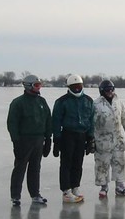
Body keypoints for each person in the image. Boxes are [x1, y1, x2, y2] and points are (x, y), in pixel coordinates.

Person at [7, 75, 52, 207]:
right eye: (36, 85)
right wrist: (16, 141)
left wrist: (48, 139)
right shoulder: (18, 103)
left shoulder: (42, 102)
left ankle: (35, 194)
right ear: (28, 86)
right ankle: (15, 196)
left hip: (39, 139)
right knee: (20, 168)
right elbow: (12, 123)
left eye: (40, 85)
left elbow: (48, 120)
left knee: (35, 168)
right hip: (24, 140)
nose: (39, 88)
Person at [52, 74, 95, 203]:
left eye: (79, 86)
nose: (77, 89)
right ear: (69, 87)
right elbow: (56, 121)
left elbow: (91, 120)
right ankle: (66, 190)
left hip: (82, 135)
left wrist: (90, 137)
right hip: (67, 135)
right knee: (66, 163)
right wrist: (57, 139)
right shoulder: (62, 101)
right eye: (74, 87)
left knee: (78, 163)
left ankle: (75, 186)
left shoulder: (88, 100)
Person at [93, 79, 125, 198]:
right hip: (102, 140)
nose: (110, 92)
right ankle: (104, 187)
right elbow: (92, 123)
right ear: (102, 91)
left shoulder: (119, 102)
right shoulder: (96, 104)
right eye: (107, 90)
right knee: (102, 164)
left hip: (117, 139)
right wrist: (90, 139)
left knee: (119, 162)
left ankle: (120, 186)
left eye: (111, 89)